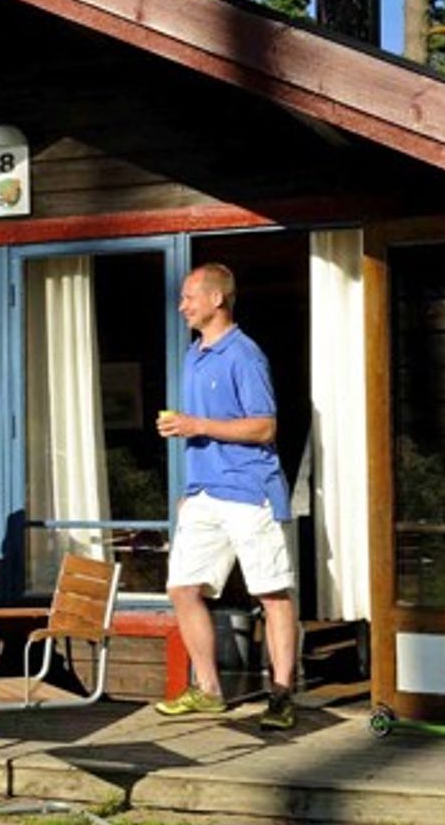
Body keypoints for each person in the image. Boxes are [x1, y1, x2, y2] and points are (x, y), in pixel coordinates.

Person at [155, 263, 299, 731]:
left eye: (189, 297)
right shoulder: (194, 355)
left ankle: (281, 696)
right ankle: (210, 690)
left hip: (248, 491)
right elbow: (200, 431)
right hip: (204, 493)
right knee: (182, 588)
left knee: (271, 593)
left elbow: (264, 426)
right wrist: (188, 487)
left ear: (217, 299)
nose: (182, 306)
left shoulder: (245, 355)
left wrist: (198, 425)